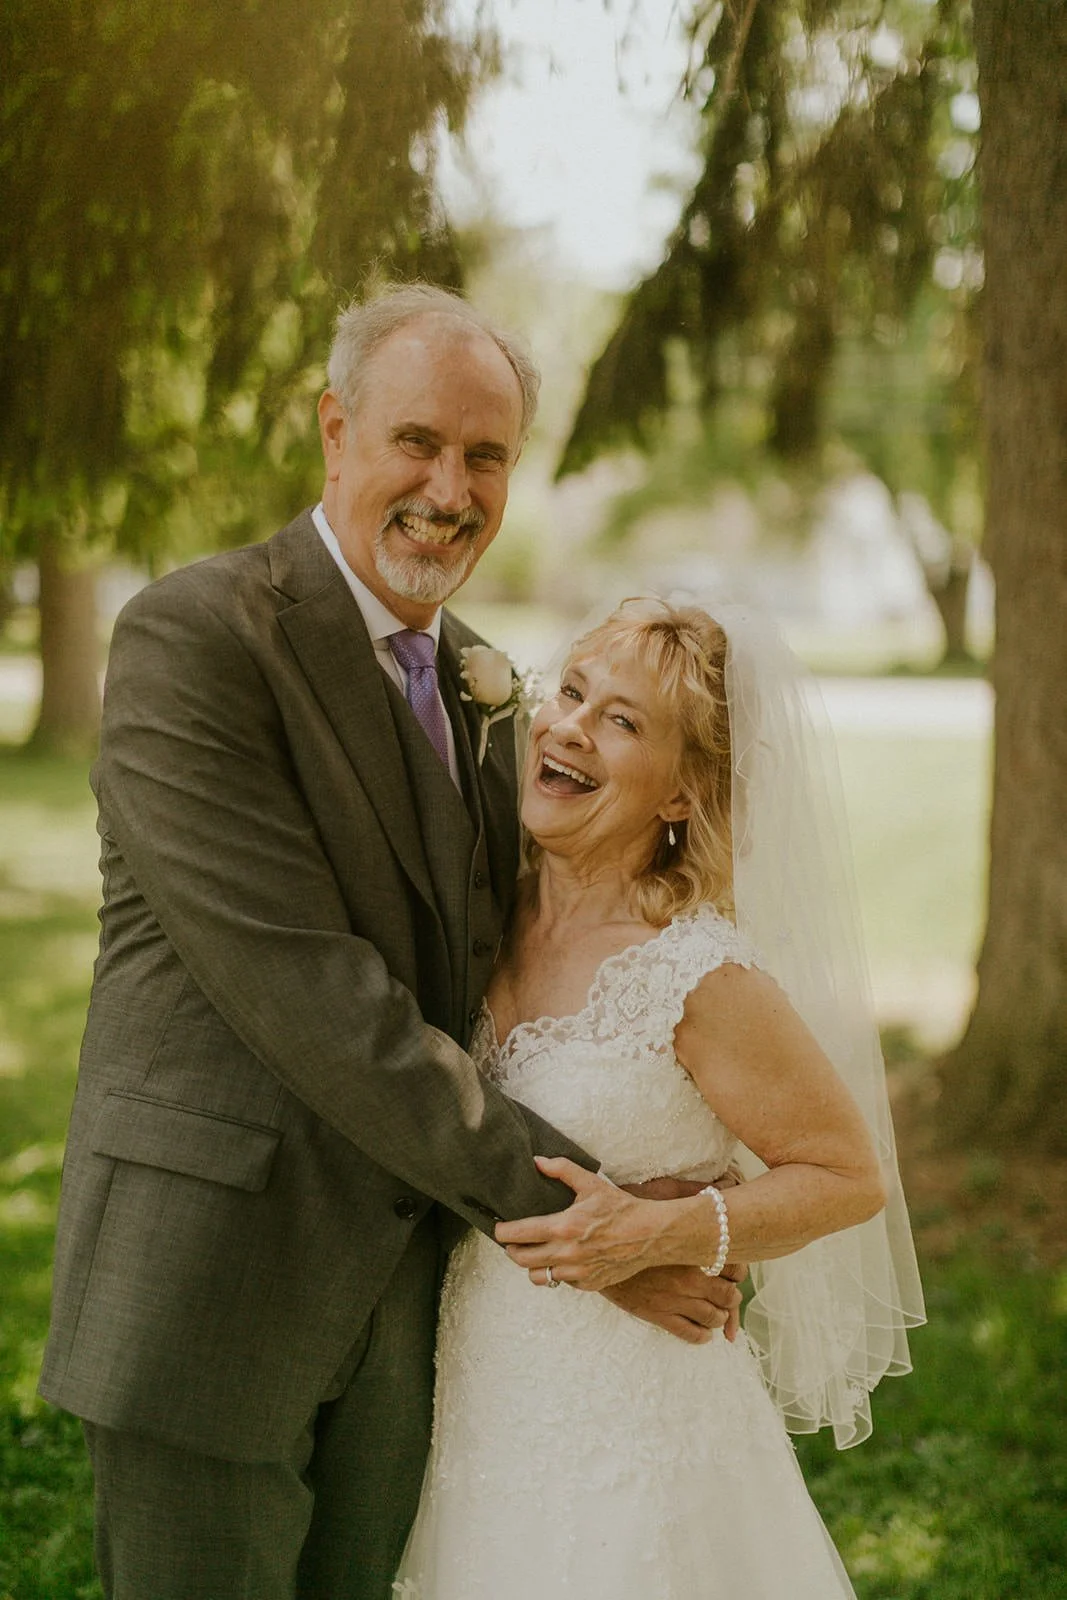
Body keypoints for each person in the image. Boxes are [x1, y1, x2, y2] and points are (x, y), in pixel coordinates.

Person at [38, 290, 741, 1600]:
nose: (447, 490)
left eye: (484, 456)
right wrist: (589, 1223)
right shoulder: (198, 637)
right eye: (416, 441)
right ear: (333, 431)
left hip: (411, 1317)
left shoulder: (485, 684)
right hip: (210, 1289)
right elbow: (314, 997)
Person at [394, 597, 925, 1599]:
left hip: (636, 1424)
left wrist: (662, 1233)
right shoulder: (477, 915)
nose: (568, 727)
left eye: (621, 721)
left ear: (681, 793)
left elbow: (848, 1176)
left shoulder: (694, 972)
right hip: (482, 1399)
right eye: (571, 692)